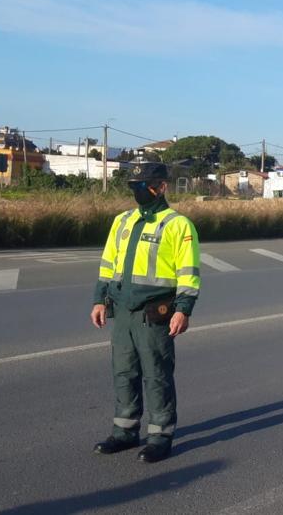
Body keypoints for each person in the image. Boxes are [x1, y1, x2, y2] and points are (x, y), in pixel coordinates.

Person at [90, 163, 201, 464]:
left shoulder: (179, 225)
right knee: (124, 373)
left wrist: (183, 310)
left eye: (143, 185)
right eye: (134, 186)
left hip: (155, 314)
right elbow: (107, 263)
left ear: (161, 187)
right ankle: (125, 431)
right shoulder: (122, 221)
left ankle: (160, 436)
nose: (137, 191)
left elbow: (188, 273)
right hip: (123, 311)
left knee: (156, 375)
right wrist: (100, 300)